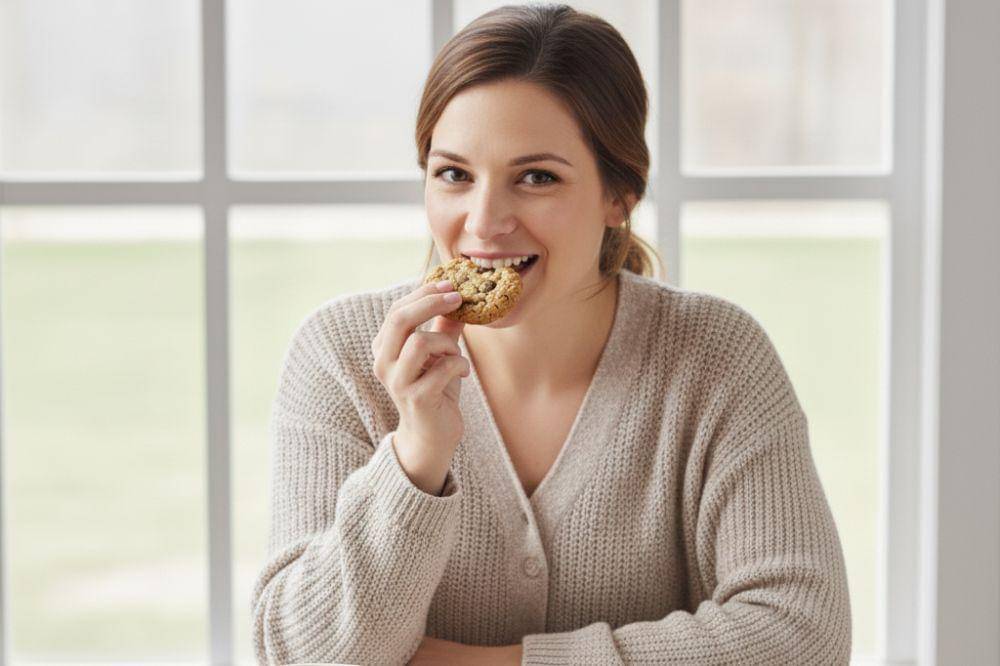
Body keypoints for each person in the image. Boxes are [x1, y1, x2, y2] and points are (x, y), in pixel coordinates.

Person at [250, 4, 852, 665]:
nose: (484, 222)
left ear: (618, 195)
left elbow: (803, 636)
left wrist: (488, 663)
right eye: (454, 174)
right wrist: (416, 457)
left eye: (536, 177)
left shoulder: (715, 357)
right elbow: (301, 655)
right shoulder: (340, 355)